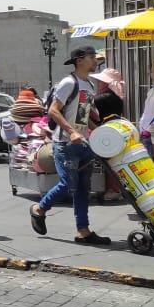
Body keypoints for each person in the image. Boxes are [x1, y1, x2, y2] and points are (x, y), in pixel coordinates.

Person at [29, 45, 111, 245]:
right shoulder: (68, 83)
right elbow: (53, 111)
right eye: (93, 57)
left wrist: (99, 131)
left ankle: (83, 230)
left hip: (82, 144)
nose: (96, 61)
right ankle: (39, 209)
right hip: (65, 144)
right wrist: (72, 131)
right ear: (80, 60)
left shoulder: (89, 85)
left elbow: (83, 116)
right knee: (68, 184)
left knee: (84, 187)